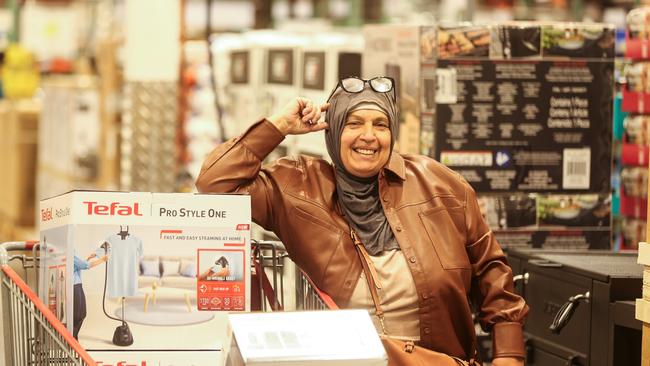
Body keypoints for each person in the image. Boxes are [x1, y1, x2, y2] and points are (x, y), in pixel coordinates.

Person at [196, 76, 528, 365]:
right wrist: (278, 126)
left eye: (380, 124)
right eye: (354, 123)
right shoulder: (297, 186)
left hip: (436, 360)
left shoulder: (442, 185)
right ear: (334, 129)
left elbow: (492, 274)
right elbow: (216, 184)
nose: (368, 136)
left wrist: (509, 355)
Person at [73, 248, 108, 339]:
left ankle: (73, 337)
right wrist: (102, 260)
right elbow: (85, 266)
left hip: (78, 285)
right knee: (77, 315)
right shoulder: (69, 253)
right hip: (74, 286)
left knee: (82, 314)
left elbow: (78, 266)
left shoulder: (71, 251)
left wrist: (88, 258)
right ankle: (72, 338)